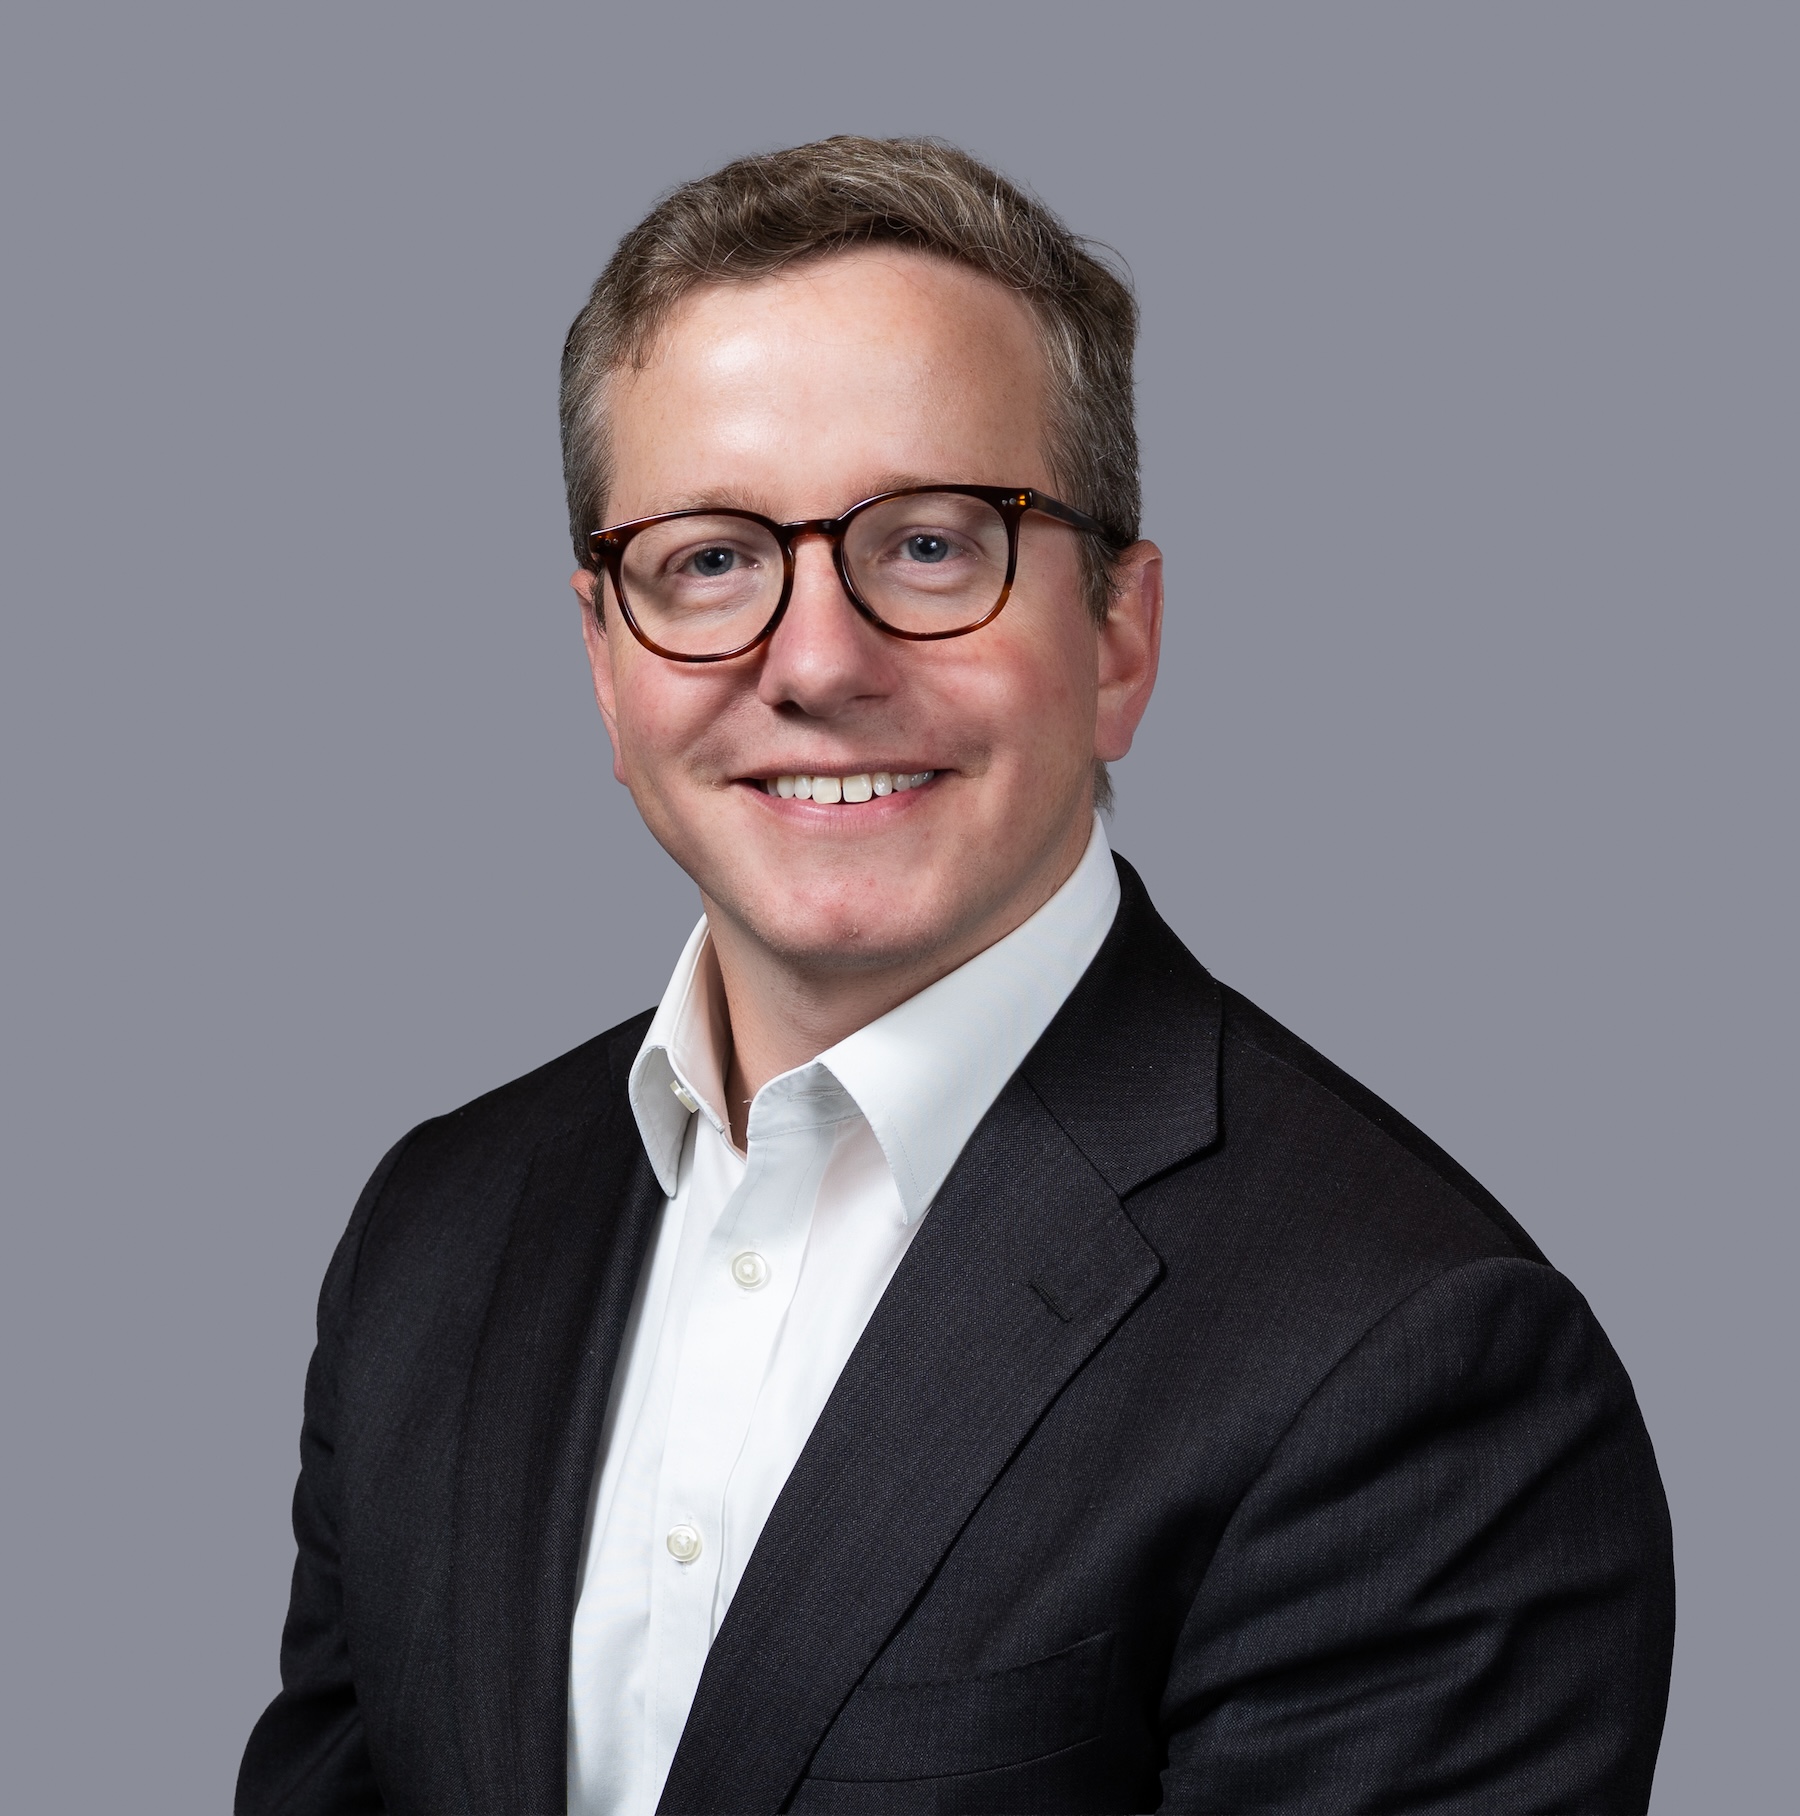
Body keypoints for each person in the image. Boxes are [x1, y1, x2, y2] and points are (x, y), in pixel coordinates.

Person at [236, 136, 1674, 1816]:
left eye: (929, 545)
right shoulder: (434, 1236)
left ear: (1119, 639)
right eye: (710, 559)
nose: (817, 661)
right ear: (606, 663)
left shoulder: (1417, 1365)